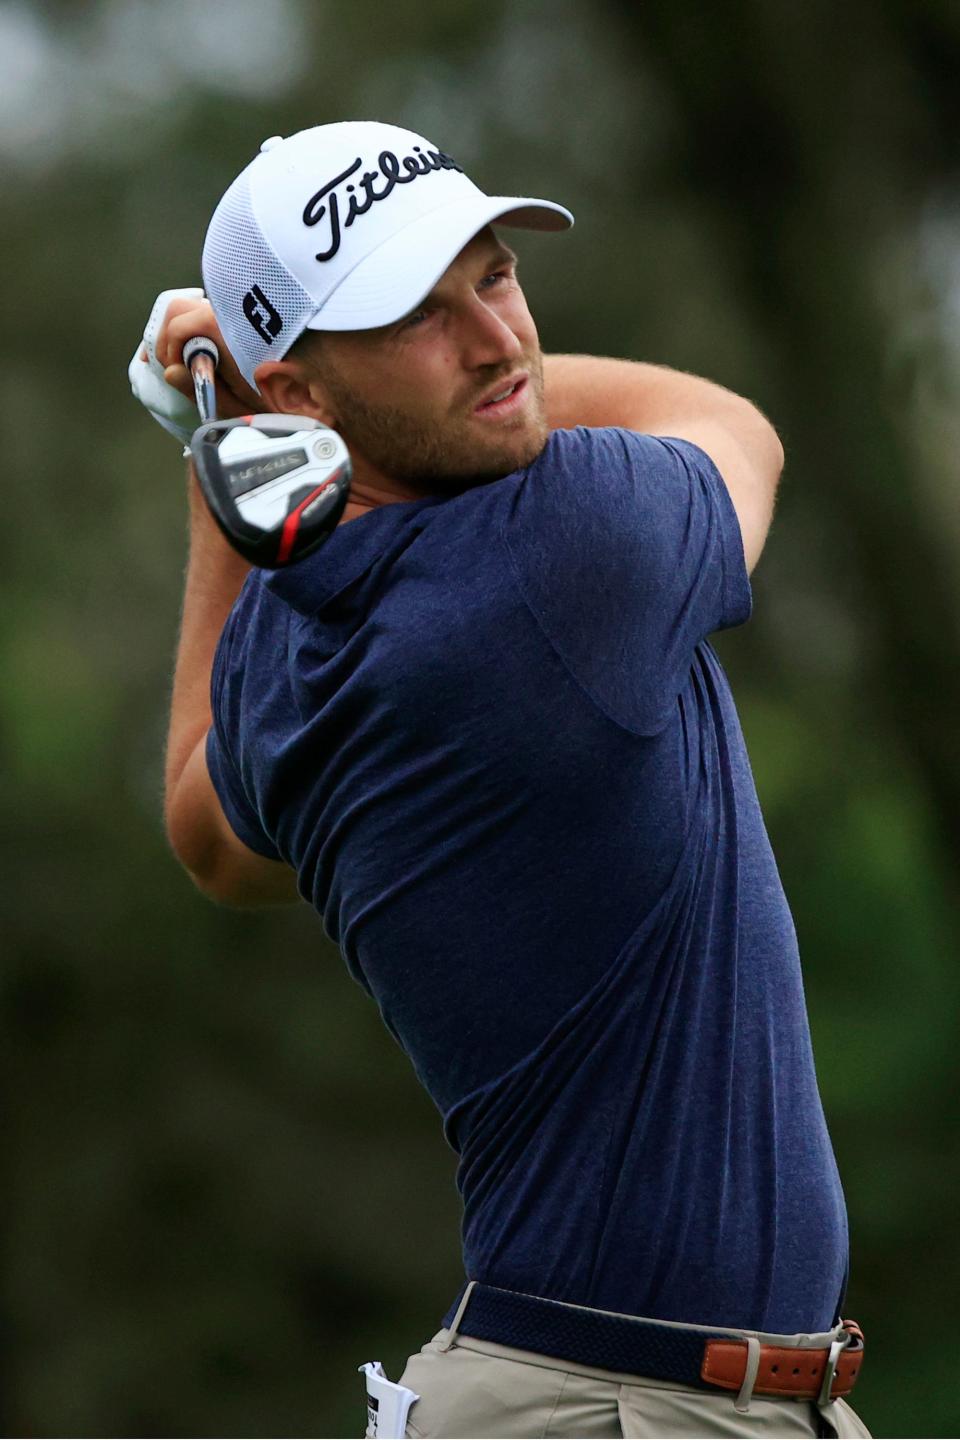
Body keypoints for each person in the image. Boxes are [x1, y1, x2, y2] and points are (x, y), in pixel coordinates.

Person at [130, 121, 870, 1439]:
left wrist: (224, 453)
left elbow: (205, 828)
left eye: (493, 275)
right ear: (304, 391)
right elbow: (729, 425)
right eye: (416, 313)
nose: (499, 340)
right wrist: (240, 406)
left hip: (586, 1392)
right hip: (623, 1409)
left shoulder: (287, 649)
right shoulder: (563, 555)